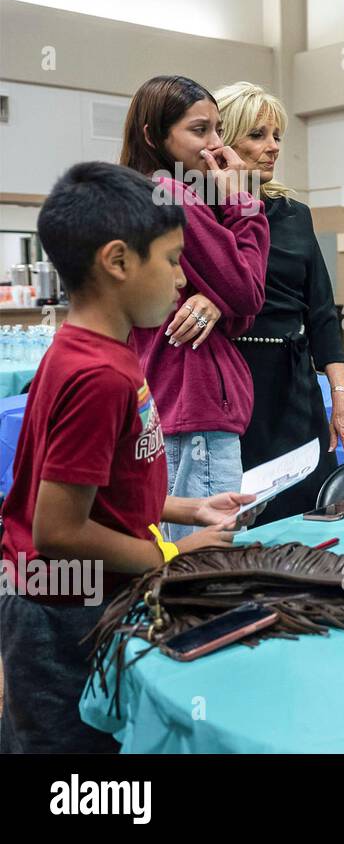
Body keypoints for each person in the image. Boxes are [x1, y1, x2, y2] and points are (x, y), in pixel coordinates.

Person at [0, 162, 254, 753]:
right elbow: (58, 528)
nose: (182, 282)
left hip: (86, 594)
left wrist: (188, 509)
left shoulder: (107, 353)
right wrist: (170, 550)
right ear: (117, 262)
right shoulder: (95, 375)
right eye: (171, 261)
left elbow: (102, 486)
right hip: (59, 604)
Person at [215, 82, 344, 523]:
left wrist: (340, 395)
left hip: (293, 383)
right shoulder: (201, 214)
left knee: (306, 503)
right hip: (231, 383)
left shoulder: (294, 213)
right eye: (257, 135)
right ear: (224, 142)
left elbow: (321, 311)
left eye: (277, 136)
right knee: (242, 516)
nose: (272, 148)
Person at [120, 75, 269, 541]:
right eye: (199, 130)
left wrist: (218, 304)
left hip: (170, 395)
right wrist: (241, 200)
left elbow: (237, 307)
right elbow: (247, 293)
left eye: (218, 130)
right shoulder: (174, 195)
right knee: (206, 555)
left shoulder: (139, 191)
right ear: (153, 135)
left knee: (175, 542)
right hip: (196, 398)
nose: (214, 145)